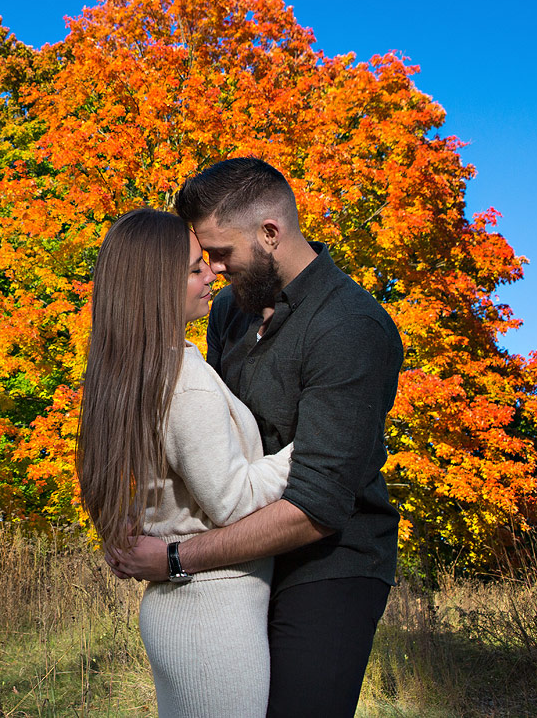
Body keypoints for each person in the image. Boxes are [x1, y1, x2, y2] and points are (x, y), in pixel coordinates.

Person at [106, 158, 405, 718]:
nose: (213, 271)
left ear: (270, 233)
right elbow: (201, 433)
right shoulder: (231, 314)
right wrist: (141, 504)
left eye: (220, 253)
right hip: (240, 562)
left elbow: (318, 506)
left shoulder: (349, 327)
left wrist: (175, 557)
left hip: (327, 565)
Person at [79, 207, 293, 718]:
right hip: (212, 615)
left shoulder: (125, 374)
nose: (212, 274)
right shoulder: (183, 378)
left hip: (180, 610)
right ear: (155, 287)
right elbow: (233, 501)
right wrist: (311, 454)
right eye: (195, 269)